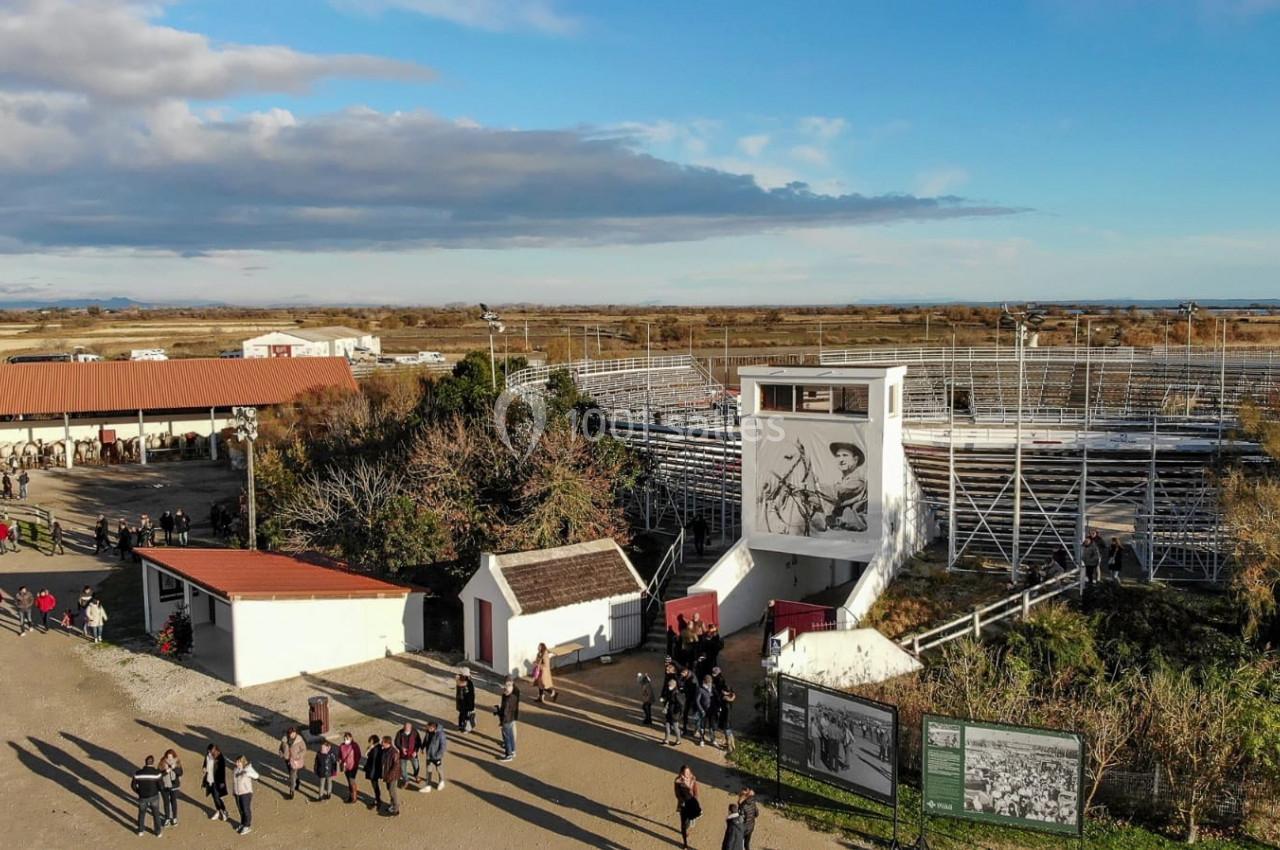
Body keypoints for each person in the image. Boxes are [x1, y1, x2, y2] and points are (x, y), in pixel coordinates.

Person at [132, 755, 166, 837]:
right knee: (156, 814)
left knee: (141, 813)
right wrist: (157, 791)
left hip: (142, 797)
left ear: (145, 762)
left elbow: (133, 786)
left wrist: (139, 792)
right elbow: (161, 786)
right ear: (153, 762)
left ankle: (140, 830)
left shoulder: (138, 773)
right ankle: (158, 832)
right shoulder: (157, 773)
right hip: (154, 796)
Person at [674, 764, 701, 849]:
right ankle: (685, 843)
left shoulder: (693, 779)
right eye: (686, 772)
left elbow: (696, 791)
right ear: (681, 773)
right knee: (683, 825)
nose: (687, 774)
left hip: (692, 804)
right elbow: (677, 794)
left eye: (688, 772)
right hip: (684, 805)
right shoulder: (678, 781)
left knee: (690, 821)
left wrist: (694, 800)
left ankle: (686, 829)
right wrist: (683, 801)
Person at [232, 755, 259, 835]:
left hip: (246, 793)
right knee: (240, 809)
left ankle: (247, 825)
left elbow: (256, 776)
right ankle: (243, 823)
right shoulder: (235, 769)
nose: (237, 763)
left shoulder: (247, 769)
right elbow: (234, 781)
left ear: (243, 762)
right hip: (237, 793)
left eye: (238, 762)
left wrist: (247, 772)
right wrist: (234, 791)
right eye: (236, 762)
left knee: (246, 809)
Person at [495, 677, 520, 761]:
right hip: (512, 718)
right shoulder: (515, 695)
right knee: (511, 736)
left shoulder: (507, 699)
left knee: (507, 738)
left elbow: (505, 712)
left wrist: (501, 721)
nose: (504, 689)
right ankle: (513, 751)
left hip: (506, 720)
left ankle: (509, 754)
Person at [279, 726, 307, 800]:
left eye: (294, 733)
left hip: (295, 760)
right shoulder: (284, 740)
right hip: (287, 760)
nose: (293, 735)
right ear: (288, 733)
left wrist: (298, 755)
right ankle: (297, 782)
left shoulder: (299, 740)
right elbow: (281, 747)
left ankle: (292, 791)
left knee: (292, 775)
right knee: (291, 773)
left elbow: (304, 749)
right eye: (291, 733)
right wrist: (281, 754)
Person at [203, 743, 229, 822]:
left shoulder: (220, 758)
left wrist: (221, 782)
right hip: (209, 779)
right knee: (214, 797)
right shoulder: (208, 756)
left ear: (215, 751)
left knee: (217, 797)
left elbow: (222, 771)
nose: (209, 753)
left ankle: (224, 811)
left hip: (217, 781)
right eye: (208, 751)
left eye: (211, 751)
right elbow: (205, 764)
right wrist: (204, 768)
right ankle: (218, 811)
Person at [378, 735, 402, 815]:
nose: (381, 743)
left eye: (383, 742)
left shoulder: (394, 752)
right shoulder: (385, 750)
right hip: (387, 774)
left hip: (392, 776)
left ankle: (396, 808)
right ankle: (392, 804)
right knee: (389, 790)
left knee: (392, 791)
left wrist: (389, 775)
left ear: (387, 743)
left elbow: (396, 765)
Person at [159, 748, 183, 827]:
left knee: (173, 802)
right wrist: (165, 772)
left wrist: (174, 768)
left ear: (174, 757)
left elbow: (180, 773)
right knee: (166, 803)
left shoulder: (177, 763)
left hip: (174, 785)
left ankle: (174, 818)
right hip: (165, 786)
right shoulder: (162, 763)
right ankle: (167, 818)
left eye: (171, 757)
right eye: (168, 757)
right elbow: (158, 775)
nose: (169, 759)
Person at [394, 722, 422, 788]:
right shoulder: (399, 733)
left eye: (407, 728)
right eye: (404, 727)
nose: (405, 729)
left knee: (416, 766)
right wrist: (401, 748)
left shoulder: (415, 732)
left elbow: (419, 742)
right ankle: (406, 780)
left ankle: (416, 776)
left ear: (410, 728)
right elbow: (396, 742)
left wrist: (415, 751)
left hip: (413, 754)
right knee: (403, 769)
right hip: (403, 755)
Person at [421, 720, 446, 792]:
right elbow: (425, 740)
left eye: (428, 728)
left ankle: (441, 781)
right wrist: (422, 747)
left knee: (439, 769)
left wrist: (438, 755)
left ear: (433, 728)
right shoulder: (428, 732)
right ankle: (428, 786)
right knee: (428, 770)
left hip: (437, 756)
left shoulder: (441, 734)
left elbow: (443, 746)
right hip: (429, 755)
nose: (427, 729)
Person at [339, 731, 362, 804]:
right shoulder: (341, 746)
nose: (346, 740)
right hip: (345, 767)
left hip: (353, 767)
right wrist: (340, 761)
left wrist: (353, 763)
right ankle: (350, 795)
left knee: (352, 781)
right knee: (349, 782)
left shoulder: (355, 746)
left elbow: (358, 755)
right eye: (345, 738)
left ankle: (354, 797)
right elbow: (339, 755)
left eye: (347, 738)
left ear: (351, 738)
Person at [363, 735, 383, 811]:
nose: (369, 743)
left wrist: (370, 749)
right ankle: (377, 799)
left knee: (375, 786)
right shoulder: (376, 748)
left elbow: (368, 757)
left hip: (373, 771)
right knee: (375, 786)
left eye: (370, 741)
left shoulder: (375, 749)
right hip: (374, 770)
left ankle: (378, 800)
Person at [694, 675, 714, 746]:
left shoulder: (712, 688)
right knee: (702, 725)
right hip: (703, 711)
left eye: (710, 682)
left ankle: (712, 739)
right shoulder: (700, 689)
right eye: (708, 682)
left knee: (711, 725)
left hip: (711, 710)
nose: (709, 684)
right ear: (704, 682)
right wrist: (701, 710)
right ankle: (701, 739)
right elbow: (697, 701)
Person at [456, 667, 477, 732]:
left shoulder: (463, 682)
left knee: (464, 715)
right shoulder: (465, 682)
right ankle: (463, 726)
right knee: (464, 715)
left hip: (463, 703)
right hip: (464, 702)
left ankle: (463, 727)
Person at [662, 679, 682, 746]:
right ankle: (666, 739)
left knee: (675, 727)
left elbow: (680, 704)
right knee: (667, 726)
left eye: (670, 686)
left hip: (674, 714)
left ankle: (678, 740)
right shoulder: (670, 691)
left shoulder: (676, 693)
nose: (669, 687)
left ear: (674, 686)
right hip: (669, 712)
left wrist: (676, 712)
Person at [718, 686, 738, 755]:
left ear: (727, 692)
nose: (722, 692)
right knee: (730, 734)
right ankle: (733, 747)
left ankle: (730, 749)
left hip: (726, 720)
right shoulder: (730, 698)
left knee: (728, 735)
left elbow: (727, 713)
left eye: (724, 691)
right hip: (728, 720)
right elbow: (732, 697)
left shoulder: (725, 700)